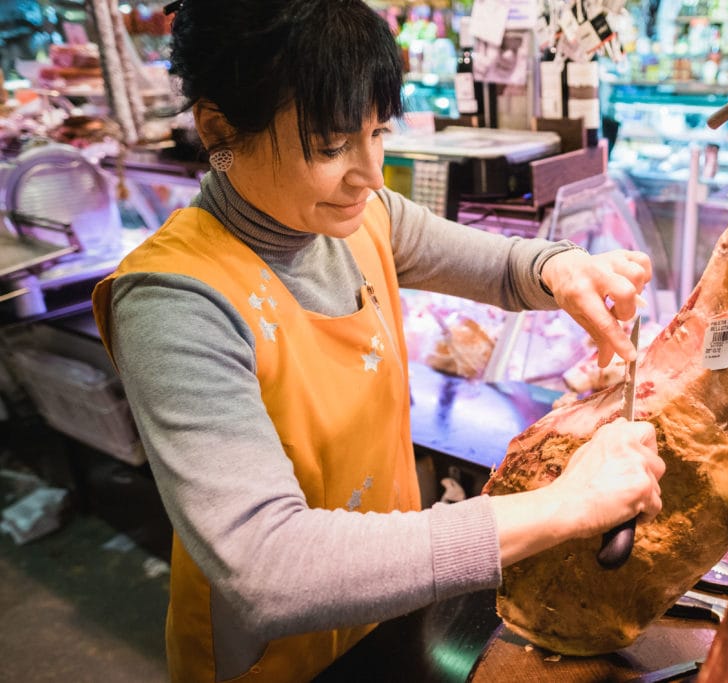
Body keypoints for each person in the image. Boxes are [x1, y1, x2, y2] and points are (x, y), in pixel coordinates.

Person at [90, 0, 665, 681]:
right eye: (331, 146)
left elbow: (502, 266)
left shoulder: (363, 218)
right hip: (275, 660)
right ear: (218, 129)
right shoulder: (173, 299)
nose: (368, 172)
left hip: (391, 605)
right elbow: (267, 565)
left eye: (377, 131)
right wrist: (565, 504)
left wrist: (562, 269)